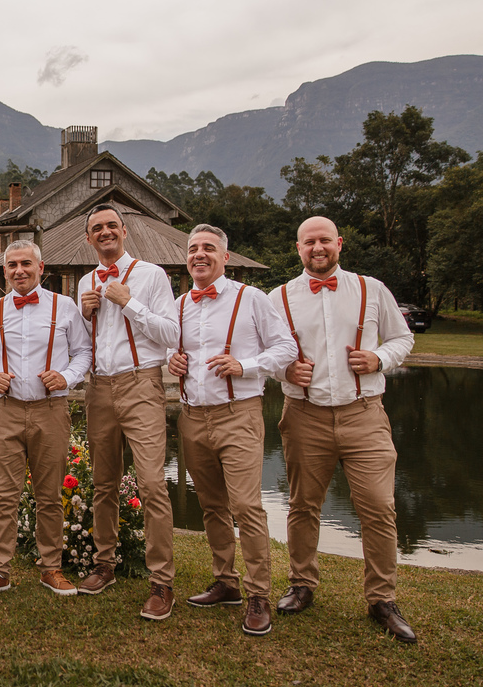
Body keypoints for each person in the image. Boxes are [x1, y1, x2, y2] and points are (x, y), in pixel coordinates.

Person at [268, 216, 417, 643]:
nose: (318, 248)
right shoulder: (278, 297)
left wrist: (379, 359)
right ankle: (301, 585)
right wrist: (285, 369)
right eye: (309, 241)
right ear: (298, 248)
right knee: (302, 505)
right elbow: (262, 351)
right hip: (304, 415)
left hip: (364, 414)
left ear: (339, 244)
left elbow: (402, 338)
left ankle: (382, 599)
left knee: (378, 507)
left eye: (325, 241)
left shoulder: (371, 289)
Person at [167, 224, 297, 636]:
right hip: (191, 416)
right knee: (211, 506)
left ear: (226, 257)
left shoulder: (251, 298)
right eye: (193, 249)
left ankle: (259, 594)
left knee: (246, 506)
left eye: (209, 248)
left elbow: (286, 349)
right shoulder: (180, 304)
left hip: (238, 414)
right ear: (186, 258)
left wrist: (246, 365)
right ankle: (226, 582)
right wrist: (173, 361)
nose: (200, 254)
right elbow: (171, 349)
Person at [76, 203, 180, 620]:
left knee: (153, 483)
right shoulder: (85, 280)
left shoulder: (152, 276)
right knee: (104, 481)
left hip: (141, 383)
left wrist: (129, 302)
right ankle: (105, 564)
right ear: (88, 238)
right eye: (96, 228)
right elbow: (88, 342)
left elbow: (172, 333)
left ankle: (161, 582)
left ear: (125, 230)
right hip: (99, 387)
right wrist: (84, 316)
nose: (105, 233)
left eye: (111, 226)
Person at [0, 240, 90, 599]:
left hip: (50, 411)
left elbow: (84, 352)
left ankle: (51, 568)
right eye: (12, 265)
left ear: (41, 268)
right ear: (3, 271)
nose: (19, 270)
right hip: (6, 410)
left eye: (26, 264)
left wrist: (66, 377)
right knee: (4, 495)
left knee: (50, 495)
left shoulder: (64, 307)